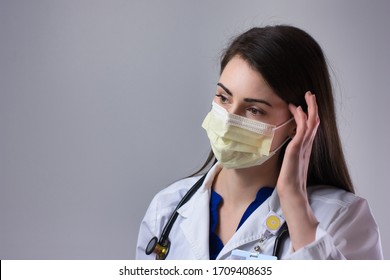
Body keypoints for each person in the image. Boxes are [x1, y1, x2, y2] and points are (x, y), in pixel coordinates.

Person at [135, 25, 383, 260]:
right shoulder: (166, 209)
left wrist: (295, 204)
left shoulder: (341, 219)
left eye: (254, 110)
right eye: (223, 97)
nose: (229, 119)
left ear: (298, 122)